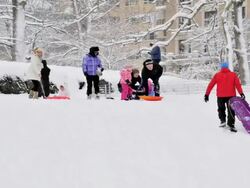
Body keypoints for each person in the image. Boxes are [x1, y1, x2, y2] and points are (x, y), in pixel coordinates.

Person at [204, 61, 245, 132]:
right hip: (231, 96)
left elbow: (211, 85)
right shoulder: (233, 75)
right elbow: (238, 85)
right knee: (231, 110)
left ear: (221, 67)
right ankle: (231, 124)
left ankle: (223, 121)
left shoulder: (217, 75)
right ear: (228, 67)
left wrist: (207, 94)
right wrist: (241, 93)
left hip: (220, 96)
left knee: (221, 109)